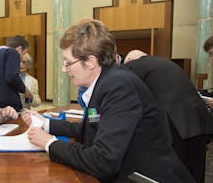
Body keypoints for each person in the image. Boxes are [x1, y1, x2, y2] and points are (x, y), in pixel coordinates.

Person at [21, 19, 195, 183]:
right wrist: (47, 124)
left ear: (90, 61)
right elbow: (92, 127)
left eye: (68, 63)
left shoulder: (118, 86)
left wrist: (50, 143)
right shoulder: (106, 82)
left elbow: (103, 161)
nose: (65, 69)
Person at [123, 49, 213, 183]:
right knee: (195, 173)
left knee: (175, 176)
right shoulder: (166, 63)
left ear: (130, 60)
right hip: (198, 123)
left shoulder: (133, 66)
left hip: (176, 127)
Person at [0, 35, 32, 112]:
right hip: (10, 104)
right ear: (19, 49)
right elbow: (11, 77)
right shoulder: (13, 52)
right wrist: (25, 89)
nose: (21, 57)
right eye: (23, 54)